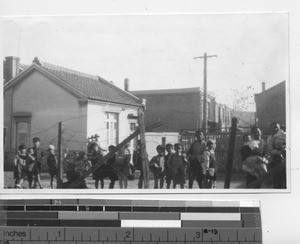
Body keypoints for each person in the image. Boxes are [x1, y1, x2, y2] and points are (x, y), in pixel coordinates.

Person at [267, 122, 286, 189]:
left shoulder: (284, 134)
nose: (275, 129)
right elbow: (270, 150)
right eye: (273, 127)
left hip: (286, 158)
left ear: (279, 128)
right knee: (277, 179)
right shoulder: (270, 138)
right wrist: (280, 152)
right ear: (270, 129)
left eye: (276, 127)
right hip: (276, 160)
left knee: (286, 178)